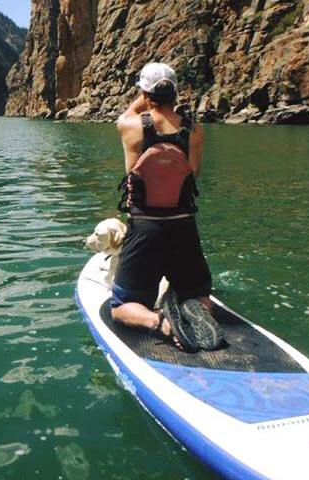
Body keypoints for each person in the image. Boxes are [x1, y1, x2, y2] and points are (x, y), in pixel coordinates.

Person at [110, 62, 224, 352]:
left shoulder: (130, 126)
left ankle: (159, 322)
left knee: (121, 307)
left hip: (146, 227)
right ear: (176, 93)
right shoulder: (194, 131)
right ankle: (193, 307)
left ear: (145, 94)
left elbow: (127, 113)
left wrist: (144, 96)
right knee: (200, 295)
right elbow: (193, 173)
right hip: (183, 224)